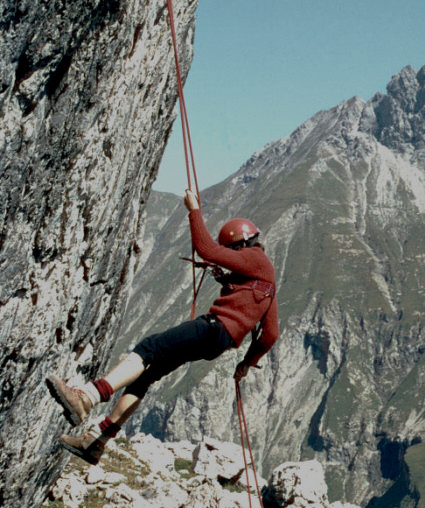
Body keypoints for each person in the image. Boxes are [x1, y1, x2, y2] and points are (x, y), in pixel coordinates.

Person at [46, 190, 279, 465]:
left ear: (239, 246)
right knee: (146, 376)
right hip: (219, 343)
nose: (230, 257)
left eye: (231, 252)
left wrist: (193, 210)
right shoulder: (265, 278)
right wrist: (247, 363)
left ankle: (87, 397)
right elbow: (270, 333)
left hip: (212, 328)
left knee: (149, 348)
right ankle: (96, 441)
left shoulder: (254, 257)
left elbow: (207, 249)